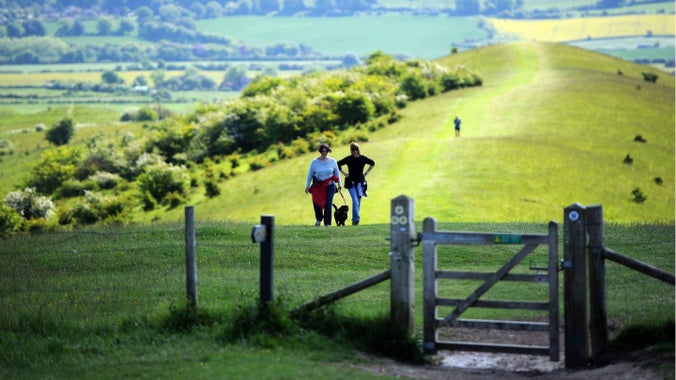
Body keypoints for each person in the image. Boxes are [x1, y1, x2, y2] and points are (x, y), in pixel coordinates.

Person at [337, 142, 375, 226]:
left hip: (360, 183)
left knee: (358, 202)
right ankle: (356, 220)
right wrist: (345, 174)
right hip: (351, 183)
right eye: (353, 149)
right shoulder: (349, 159)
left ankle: (355, 220)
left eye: (356, 149)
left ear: (359, 149)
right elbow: (337, 164)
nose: (355, 151)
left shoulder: (363, 158)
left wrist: (366, 173)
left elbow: (372, 163)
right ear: (351, 150)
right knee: (355, 201)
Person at [305, 143, 341, 226]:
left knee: (328, 204)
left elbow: (337, 173)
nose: (324, 153)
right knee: (317, 203)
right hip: (318, 186)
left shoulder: (333, 161)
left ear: (328, 151)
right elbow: (310, 174)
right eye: (322, 151)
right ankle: (318, 219)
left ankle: (327, 223)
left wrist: (339, 184)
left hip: (330, 186)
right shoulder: (314, 162)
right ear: (320, 151)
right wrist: (307, 185)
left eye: (326, 151)